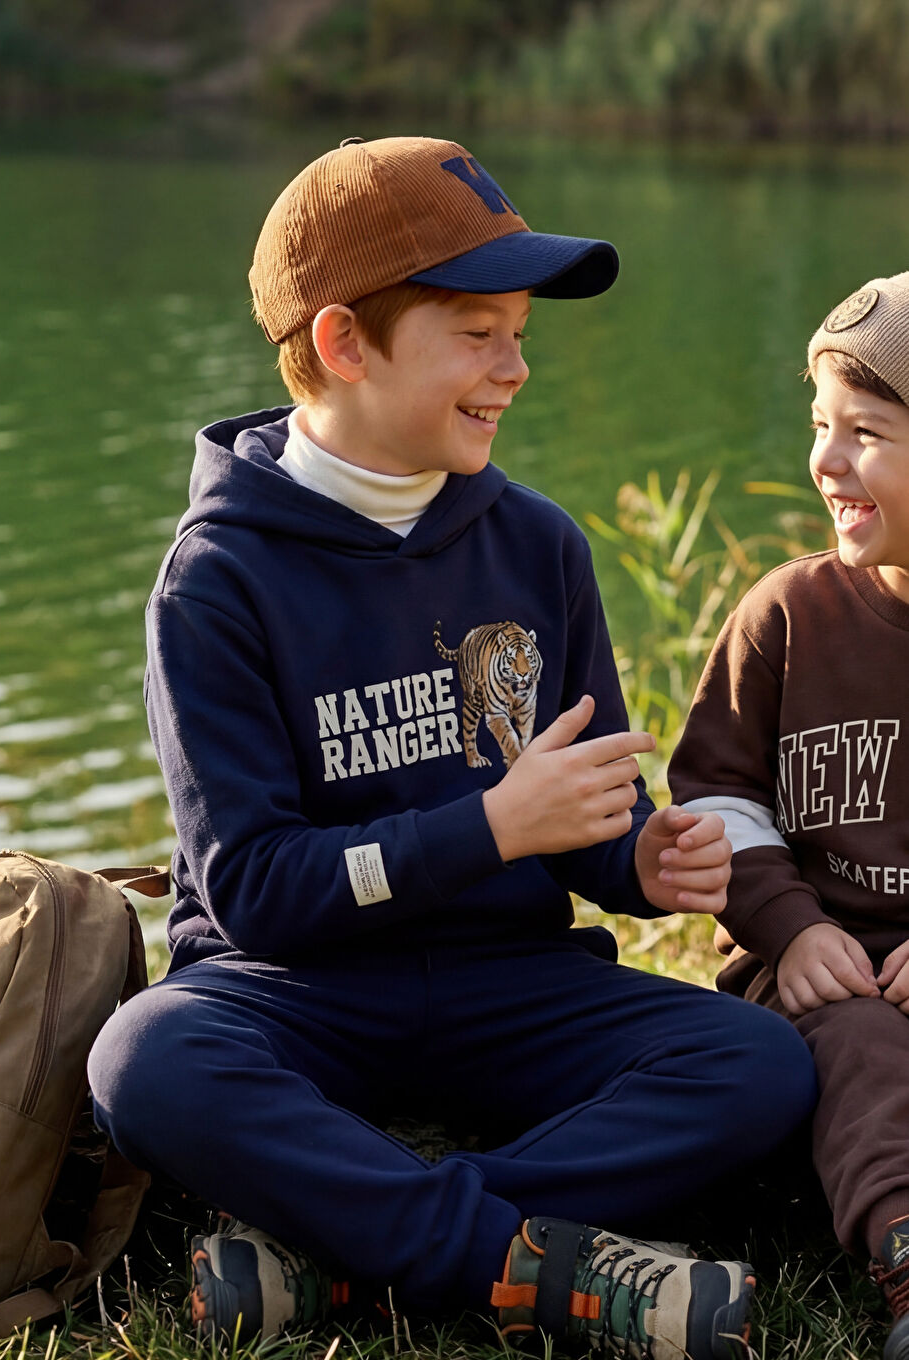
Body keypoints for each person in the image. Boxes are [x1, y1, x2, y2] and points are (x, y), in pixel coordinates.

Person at [88, 135, 816, 1359]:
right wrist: (484, 828)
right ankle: (513, 1258)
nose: (516, 369)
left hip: (506, 986)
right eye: (478, 334)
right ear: (341, 344)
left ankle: (347, 1253)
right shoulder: (215, 581)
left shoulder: (538, 546)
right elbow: (255, 892)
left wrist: (640, 862)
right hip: (295, 991)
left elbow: (587, 813)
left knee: (754, 1063)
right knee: (148, 1059)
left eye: (520, 332)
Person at [669, 271, 909, 1360]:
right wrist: (789, 924)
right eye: (820, 425)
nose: (825, 460)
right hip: (810, 969)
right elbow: (716, 791)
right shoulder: (786, 616)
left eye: (865, 432)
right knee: (858, 1042)